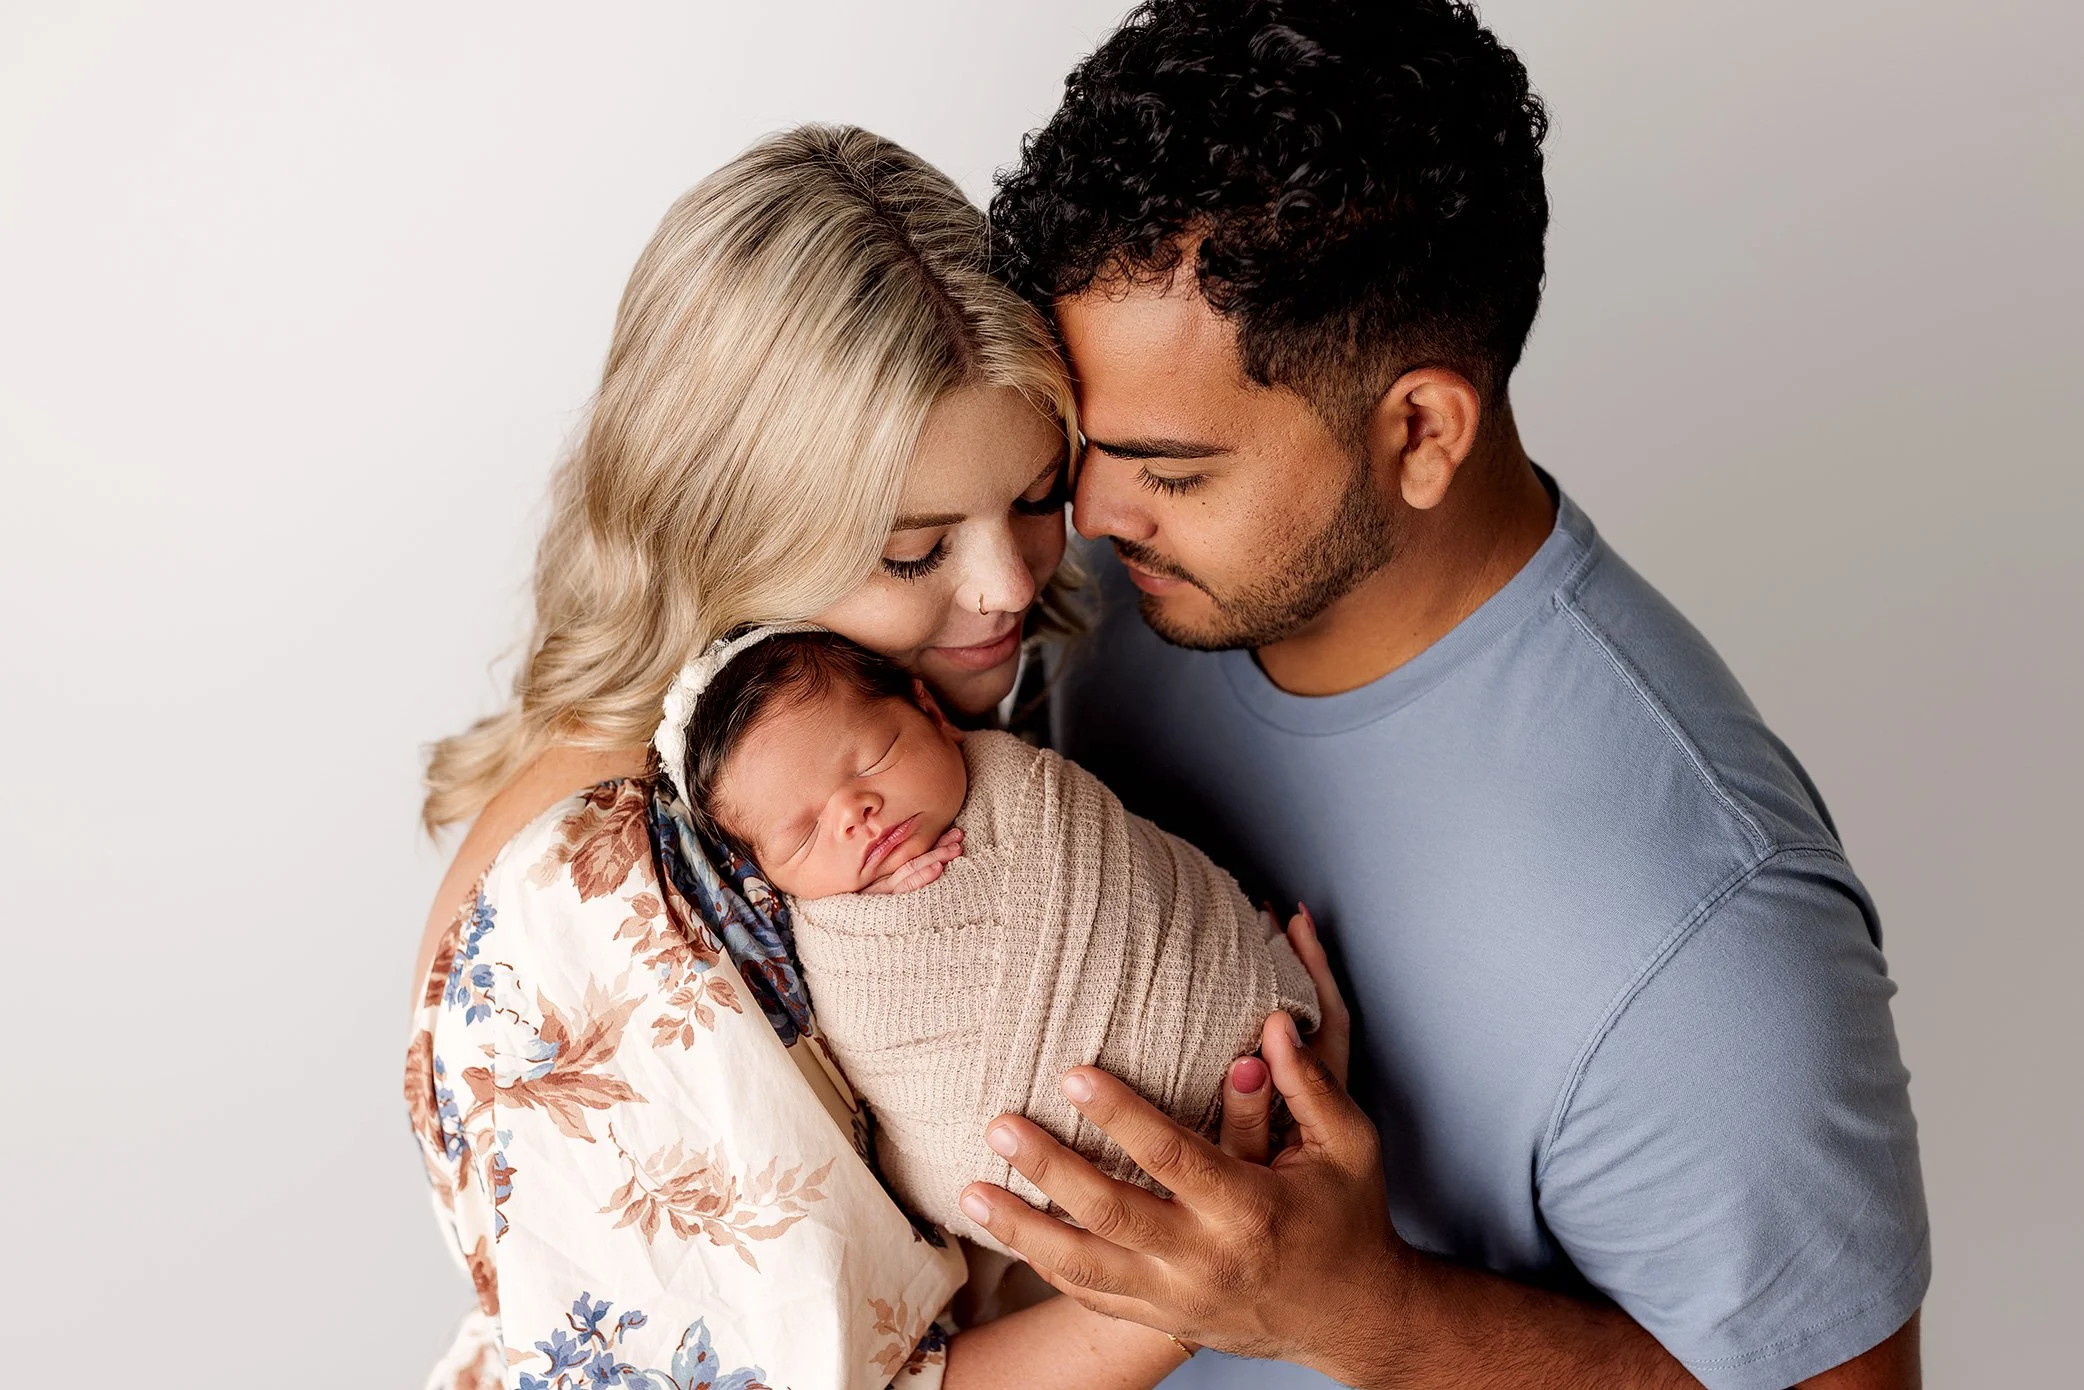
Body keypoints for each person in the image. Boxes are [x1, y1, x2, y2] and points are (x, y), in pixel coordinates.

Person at [963, 2, 1929, 1387]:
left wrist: (1371, 1317)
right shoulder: (1109, 582)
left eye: (1171, 471)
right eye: (1083, 446)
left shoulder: (1706, 924)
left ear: (1420, 429)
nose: (1083, 514)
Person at [402, 125, 1219, 1390]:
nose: (1004, 584)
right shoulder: (600, 896)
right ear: (725, 528)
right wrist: (1223, 1271)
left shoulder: (905, 716)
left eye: (1032, 494)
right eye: (911, 551)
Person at [661, 625, 1319, 1249]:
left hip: (1254, 1067)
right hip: (1071, 1211)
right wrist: (891, 925)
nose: (853, 816)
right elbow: (887, 1069)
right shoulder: (835, 948)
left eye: (873, 758)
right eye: (801, 836)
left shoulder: (1027, 790)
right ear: (767, 878)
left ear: (927, 707)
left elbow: (1133, 880)